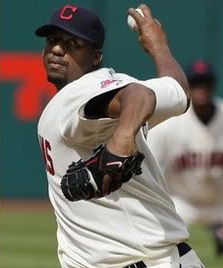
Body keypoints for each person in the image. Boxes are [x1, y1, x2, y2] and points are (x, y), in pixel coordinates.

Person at [35, 4, 205, 268]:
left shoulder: (79, 93)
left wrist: (122, 139)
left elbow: (139, 95)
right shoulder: (116, 88)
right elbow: (179, 92)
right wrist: (158, 46)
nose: (57, 49)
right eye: (53, 40)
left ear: (96, 57)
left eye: (72, 43)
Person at [148, 59, 223, 255]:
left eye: (205, 83)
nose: (201, 88)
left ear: (213, 85)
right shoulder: (170, 122)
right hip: (182, 203)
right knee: (155, 237)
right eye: (196, 83)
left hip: (220, 203)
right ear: (188, 86)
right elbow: (150, 166)